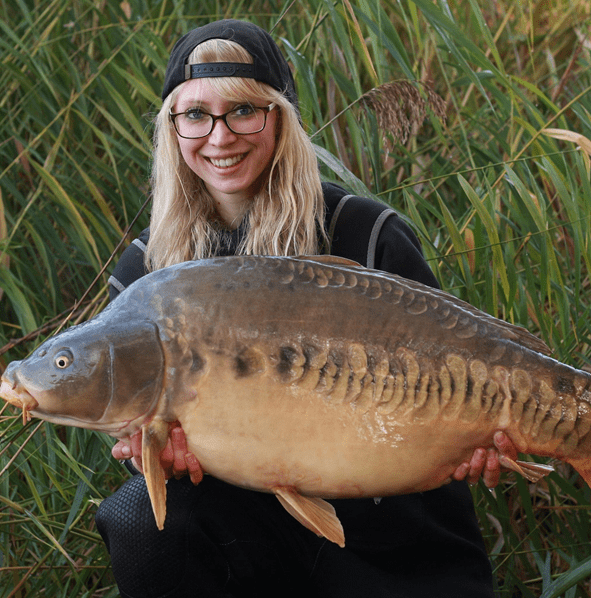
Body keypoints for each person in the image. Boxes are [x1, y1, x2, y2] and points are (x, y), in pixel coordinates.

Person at [95, 19, 517, 598]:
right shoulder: (144, 272)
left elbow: (456, 372)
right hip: (249, 535)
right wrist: (154, 457)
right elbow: (136, 429)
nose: (219, 137)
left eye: (244, 110)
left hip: (395, 534)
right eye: (195, 115)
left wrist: (477, 434)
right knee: (138, 518)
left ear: (281, 118)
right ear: (171, 127)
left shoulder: (368, 235)